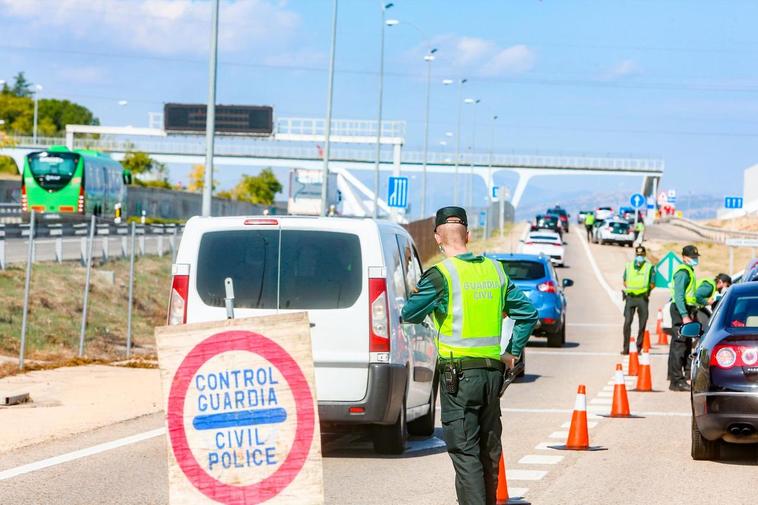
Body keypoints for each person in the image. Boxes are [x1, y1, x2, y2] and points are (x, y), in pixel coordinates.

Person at [401, 206, 538, 505]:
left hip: (458, 378)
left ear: (438, 237)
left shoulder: (441, 275)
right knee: (488, 453)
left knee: (465, 455)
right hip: (492, 375)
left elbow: (409, 313)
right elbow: (528, 314)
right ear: (469, 235)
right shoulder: (495, 271)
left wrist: (433, 309)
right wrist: (512, 353)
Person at [668, 245, 700, 391]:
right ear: (684, 257)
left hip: (686, 309)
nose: (694, 260)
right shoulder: (683, 272)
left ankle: (676, 377)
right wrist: (685, 316)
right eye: (692, 257)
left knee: (682, 344)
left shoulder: (689, 271)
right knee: (679, 345)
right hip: (681, 310)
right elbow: (679, 296)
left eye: (696, 257)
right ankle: (676, 381)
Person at [622, 245, 655, 354]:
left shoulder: (649, 267)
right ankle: (626, 348)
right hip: (630, 297)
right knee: (627, 323)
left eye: (641, 255)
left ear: (645, 256)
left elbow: (653, 283)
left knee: (642, 323)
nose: (639, 257)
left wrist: (646, 291)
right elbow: (624, 280)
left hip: (642, 298)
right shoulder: (629, 266)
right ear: (635, 255)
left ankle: (638, 347)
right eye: (638, 255)